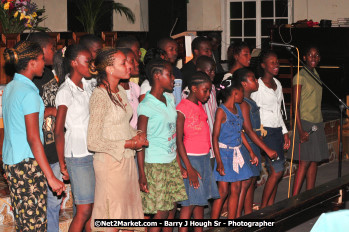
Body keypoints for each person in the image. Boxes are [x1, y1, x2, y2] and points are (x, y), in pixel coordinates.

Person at [2, 41, 65, 231]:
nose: (44, 64)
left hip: (12, 163)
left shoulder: (10, 87)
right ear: (31, 63)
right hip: (27, 165)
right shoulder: (29, 92)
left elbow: (15, 124)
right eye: (40, 60)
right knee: (35, 225)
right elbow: (33, 138)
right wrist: (51, 177)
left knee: (24, 223)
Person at [88, 47, 148, 231]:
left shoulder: (120, 91)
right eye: (123, 63)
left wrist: (137, 135)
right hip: (110, 163)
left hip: (126, 161)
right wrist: (129, 143)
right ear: (109, 69)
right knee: (111, 217)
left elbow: (121, 126)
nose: (129, 66)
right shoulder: (99, 96)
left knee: (124, 216)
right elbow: (93, 141)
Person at [137, 59, 187, 232]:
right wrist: (142, 174)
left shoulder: (169, 98)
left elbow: (173, 135)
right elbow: (140, 142)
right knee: (160, 214)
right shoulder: (146, 105)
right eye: (170, 74)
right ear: (157, 76)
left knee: (171, 209)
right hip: (156, 163)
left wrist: (178, 164)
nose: (173, 78)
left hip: (171, 160)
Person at [54, 44, 95, 232]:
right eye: (87, 61)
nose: (91, 65)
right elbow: (58, 130)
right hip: (77, 154)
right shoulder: (65, 91)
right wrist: (62, 163)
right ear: (74, 63)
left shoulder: (88, 85)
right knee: (84, 209)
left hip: (92, 150)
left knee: (91, 208)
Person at [29, 32, 64, 232]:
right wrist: (49, 111)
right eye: (52, 48)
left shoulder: (50, 74)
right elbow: (29, 115)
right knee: (40, 207)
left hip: (53, 148)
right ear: (41, 51)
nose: (55, 51)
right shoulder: (31, 81)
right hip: (39, 151)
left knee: (53, 205)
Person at [176, 72, 220, 232]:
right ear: (194, 88)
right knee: (189, 205)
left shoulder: (199, 106)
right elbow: (178, 140)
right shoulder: (182, 108)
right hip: (191, 160)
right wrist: (188, 168)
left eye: (209, 91)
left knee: (200, 202)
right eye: (205, 90)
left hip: (203, 158)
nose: (208, 94)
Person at [211, 77, 258, 219]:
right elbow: (215, 136)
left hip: (237, 154)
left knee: (236, 189)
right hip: (224, 155)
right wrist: (219, 161)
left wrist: (250, 151)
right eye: (241, 92)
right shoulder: (222, 111)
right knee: (223, 191)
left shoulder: (237, 109)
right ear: (235, 93)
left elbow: (240, 132)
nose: (243, 96)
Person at [251, 50, 291, 208]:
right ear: (263, 65)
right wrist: (256, 133)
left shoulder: (277, 84)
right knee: (277, 171)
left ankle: (270, 207)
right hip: (264, 130)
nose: (276, 65)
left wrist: (285, 132)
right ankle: (263, 208)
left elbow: (278, 110)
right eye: (272, 62)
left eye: (277, 62)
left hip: (276, 130)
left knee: (276, 170)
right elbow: (253, 111)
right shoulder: (258, 86)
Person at [235, 68, 278, 215]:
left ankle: (247, 213)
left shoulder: (250, 101)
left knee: (251, 182)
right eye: (252, 79)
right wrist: (266, 149)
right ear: (244, 84)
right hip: (247, 148)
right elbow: (248, 130)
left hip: (253, 145)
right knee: (246, 183)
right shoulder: (243, 103)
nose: (256, 81)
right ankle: (236, 217)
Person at [291, 46, 329, 195]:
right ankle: (293, 200)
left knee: (314, 160)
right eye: (310, 55)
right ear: (304, 58)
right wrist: (300, 130)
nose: (313, 57)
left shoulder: (316, 75)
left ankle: (309, 196)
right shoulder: (300, 77)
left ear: (319, 58)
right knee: (305, 162)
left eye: (316, 55)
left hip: (317, 122)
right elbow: (295, 106)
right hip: (305, 122)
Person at [118, 48, 141, 129]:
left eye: (136, 60)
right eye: (132, 61)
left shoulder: (135, 88)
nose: (137, 63)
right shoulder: (113, 90)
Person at [158, 37, 183, 105]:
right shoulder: (157, 72)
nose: (175, 53)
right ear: (162, 52)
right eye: (171, 49)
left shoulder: (177, 72)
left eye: (176, 50)